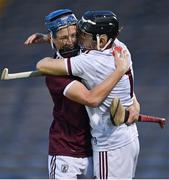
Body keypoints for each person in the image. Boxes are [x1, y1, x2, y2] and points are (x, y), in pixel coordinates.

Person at [25, 9, 140, 179]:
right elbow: (90, 98)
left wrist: (132, 101)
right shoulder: (55, 72)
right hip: (67, 150)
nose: (71, 42)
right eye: (63, 38)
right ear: (53, 39)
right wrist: (121, 71)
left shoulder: (89, 49)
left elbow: (117, 81)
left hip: (94, 145)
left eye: (75, 34)